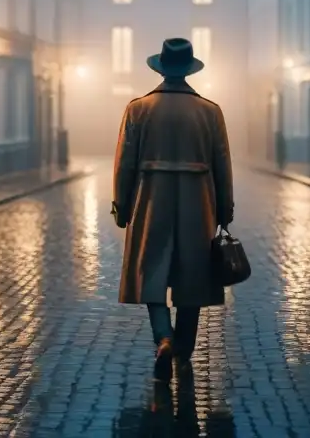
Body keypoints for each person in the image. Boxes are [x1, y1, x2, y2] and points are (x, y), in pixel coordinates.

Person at [111, 37, 235, 382]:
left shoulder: (138, 108)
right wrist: (224, 209)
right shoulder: (210, 111)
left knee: (151, 273)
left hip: (150, 200)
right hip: (199, 201)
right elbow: (222, 164)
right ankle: (183, 348)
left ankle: (163, 337)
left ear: (161, 68)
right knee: (192, 276)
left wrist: (121, 206)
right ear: (188, 68)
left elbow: (124, 164)